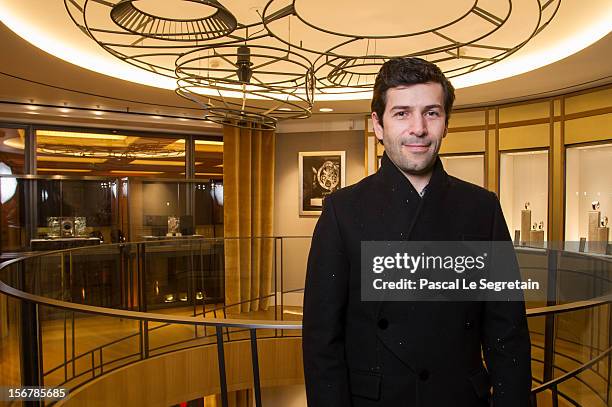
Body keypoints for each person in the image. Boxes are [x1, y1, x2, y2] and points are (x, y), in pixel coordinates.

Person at [303, 57, 532, 406]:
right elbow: (322, 343)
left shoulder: (482, 209)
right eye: (402, 113)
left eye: (431, 112)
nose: (418, 128)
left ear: (445, 123)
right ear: (378, 126)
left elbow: (508, 334)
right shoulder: (341, 212)